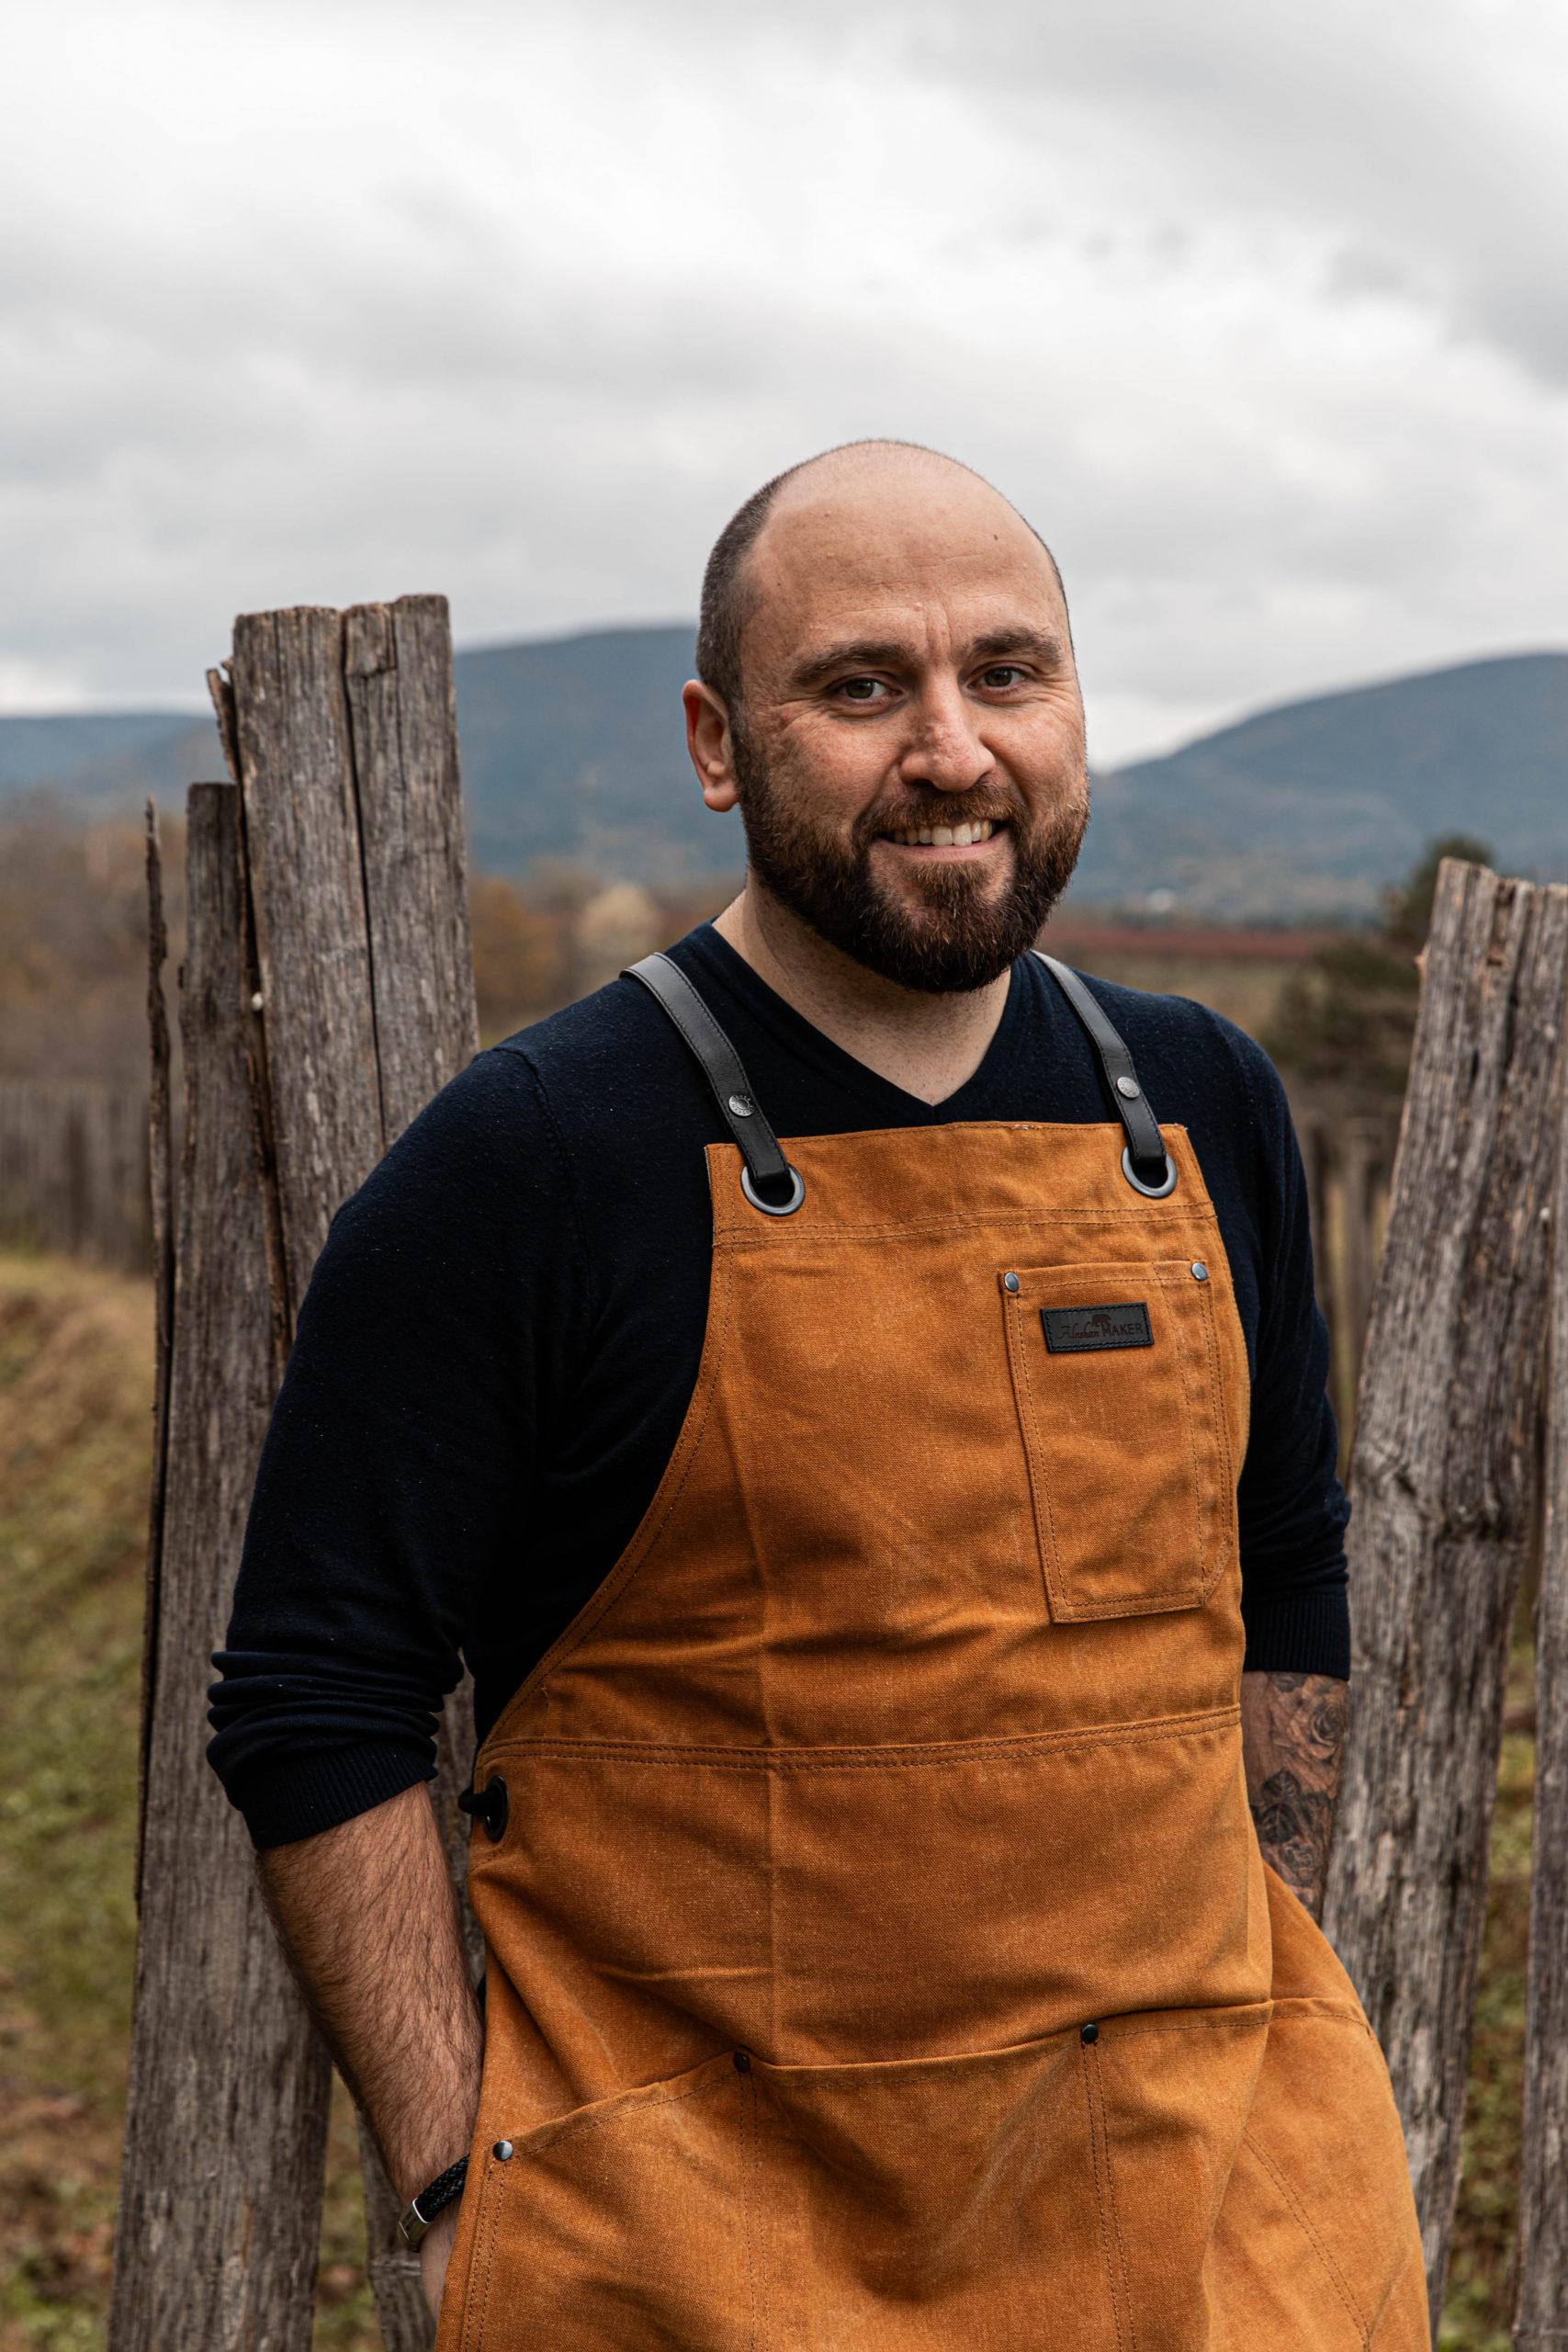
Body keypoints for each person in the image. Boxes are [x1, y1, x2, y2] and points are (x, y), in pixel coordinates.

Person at [209, 440, 1427, 2347]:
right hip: (706, 2253)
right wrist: (464, 2178)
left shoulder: (1200, 1107)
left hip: (1200, 2229)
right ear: (716, 740)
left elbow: (1284, 1579)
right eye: (861, 686)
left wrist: (1250, 1994)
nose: (950, 747)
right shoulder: (533, 1157)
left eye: (1004, 673)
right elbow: (312, 1697)